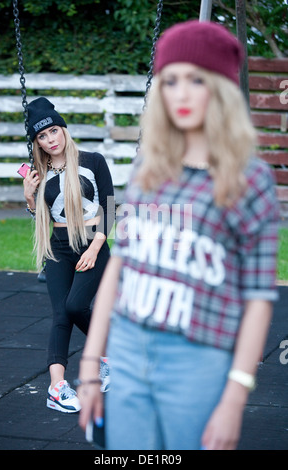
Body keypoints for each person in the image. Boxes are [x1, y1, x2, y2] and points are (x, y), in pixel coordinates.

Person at [77, 20, 279, 449]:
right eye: (170, 81)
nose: (181, 93)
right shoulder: (150, 169)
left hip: (198, 360)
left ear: (222, 91)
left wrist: (234, 396)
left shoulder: (250, 180)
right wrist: (92, 366)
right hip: (130, 351)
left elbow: (258, 299)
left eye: (196, 80)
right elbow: (119, 269)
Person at [22, 97, 114, 413]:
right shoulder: (41, 172)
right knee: (61, 313)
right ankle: (57, 387)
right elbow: (42, 217)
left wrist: (95, 246)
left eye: (53, 132)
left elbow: (111, 207)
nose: (50, 141)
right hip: (59, 246)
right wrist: (30, 198)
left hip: (93, 241)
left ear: (63, 129)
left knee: (76, 305)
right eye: (42, 138)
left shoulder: (94, 161)